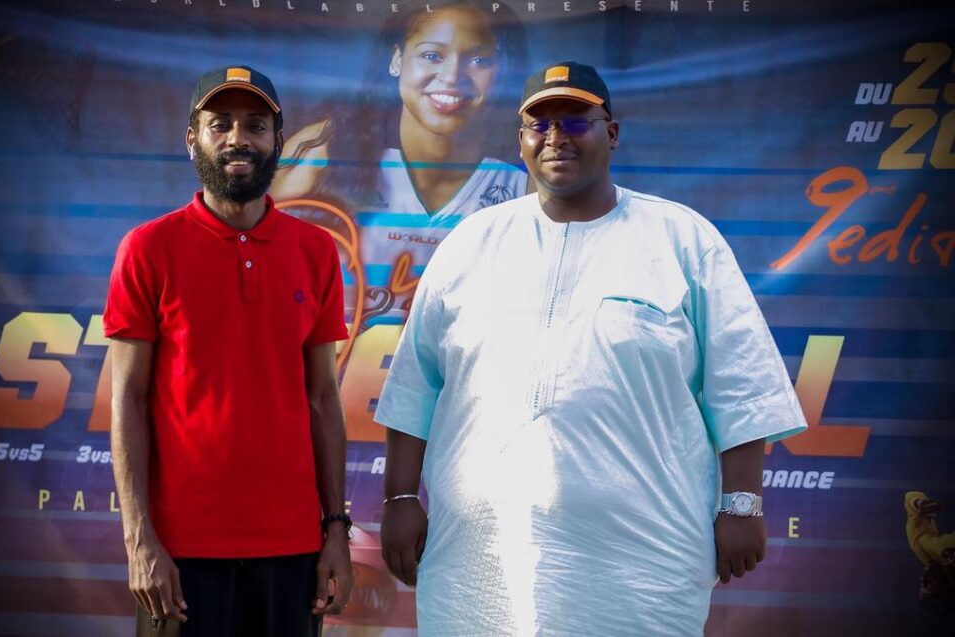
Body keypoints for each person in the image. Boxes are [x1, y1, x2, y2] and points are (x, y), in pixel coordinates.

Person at [374, 61, 808, 635]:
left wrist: (742, 504)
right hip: (477, 562)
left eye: (576, 121)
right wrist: (400, 498)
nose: (556, 137)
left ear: (612, 133)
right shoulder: (471, 244)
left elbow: (742, 384)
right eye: (540, 124)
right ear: (521, 140)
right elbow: (415, 386)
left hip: (642, 564)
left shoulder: (681, 239)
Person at [104, 65, 352, 636]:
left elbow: (322, 398)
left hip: (294, 550)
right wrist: (139, 539)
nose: (239, 138)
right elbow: (127, 400)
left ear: (278, 141)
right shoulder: (147, 248)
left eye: (255, 125)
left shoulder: (315, 251)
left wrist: (336, 529)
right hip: (180, 554)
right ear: (192, 138)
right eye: (221, 124)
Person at [271, 0, 529, 323]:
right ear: (396, 60)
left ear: (502, 73)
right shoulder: (325, 148)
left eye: (479, 60)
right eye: (432, 55)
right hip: (337, 356)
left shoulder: (524, 179)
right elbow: (259, 263)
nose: (452, 76)